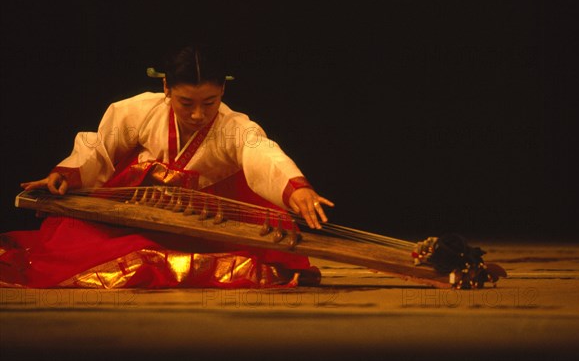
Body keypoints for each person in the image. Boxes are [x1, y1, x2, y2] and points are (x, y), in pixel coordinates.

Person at [1, 44, 334, 289]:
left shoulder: (235, 128)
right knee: (84, 250)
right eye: (185, 103)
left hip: (209, 220)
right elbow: (99, 148)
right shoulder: (138, 111)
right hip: (140, 212)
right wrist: (67, 173)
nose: (198, 115)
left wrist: (296, 189)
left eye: (210, 102)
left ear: (223, 91)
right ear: (166, 88)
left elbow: (264, 155)